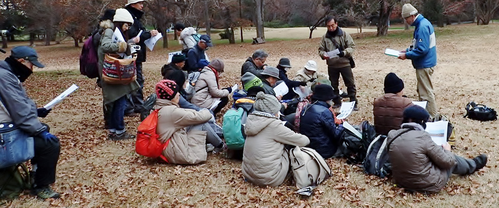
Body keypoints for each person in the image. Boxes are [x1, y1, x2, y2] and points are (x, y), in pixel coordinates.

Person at [0, 46, 60, 199]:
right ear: (21, 61)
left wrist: (36, 111)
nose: (32, 69)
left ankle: (35, 174)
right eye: (31, 64)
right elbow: (18, 110)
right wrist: (39, 130)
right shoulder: (4, 77)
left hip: (6, 129)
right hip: (3, 137)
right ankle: (40, 186)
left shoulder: (8, 74)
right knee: (50, 145)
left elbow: (19, 104)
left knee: (43, 131)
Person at [388, 105, 487, 193]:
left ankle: (470, 164)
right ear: (422, 122)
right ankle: (473, 165)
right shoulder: (423, 137)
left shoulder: (392, 135)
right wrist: (448, 151)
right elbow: (448, 161)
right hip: (427, 185)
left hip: (401, 182)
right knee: (452, 158)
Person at [242, 92, 310, 186]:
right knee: (291, 148)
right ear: (273, 110)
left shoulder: (250, 121)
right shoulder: (274, 126)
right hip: (270, 178)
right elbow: (304, 141)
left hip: (248, 175)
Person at [98, 8, 139, 140]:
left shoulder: (112, 31)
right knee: (120, 101)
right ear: (120, 23)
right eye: (126, 25)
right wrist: (123, 47)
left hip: (113, 72)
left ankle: (114, 130)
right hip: (112, 73)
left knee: (117, 102)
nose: (127, 29)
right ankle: (119, 130)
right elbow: (105, 46)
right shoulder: (110, 31)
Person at [163, 67, 224, 151]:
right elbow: (193, 113)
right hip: (175, 144)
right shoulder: (174, 107)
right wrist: (207, 112)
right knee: (203, 122)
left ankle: (220, 138)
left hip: (173, 137)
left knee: (203, 120)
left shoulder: (164, 103)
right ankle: (221, 143)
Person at [155, 80, 213, 164]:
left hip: (166, 148)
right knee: (202, 123)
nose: (179, 94)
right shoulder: (171, 111)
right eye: (176, 93)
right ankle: (221, 145)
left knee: (194, 122)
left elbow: (187, 114)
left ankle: (217, 143)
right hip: (176, 152)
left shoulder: (159, 107)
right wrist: (206, 110)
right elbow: (201, 117)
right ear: (170, 96)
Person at [398, 3, 438, 118]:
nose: (406, 21)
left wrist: (407, 56)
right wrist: (407, 51)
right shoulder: (421, 24)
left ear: (412, 16)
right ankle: (426, 115)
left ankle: (431, 117)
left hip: (425, 64)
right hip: (424, 63)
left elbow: (422, 50)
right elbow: (417, 45)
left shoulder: (422, 27)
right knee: (423, 90)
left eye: (406, 18)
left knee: (426, 92)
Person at [125, 0, 160, 114]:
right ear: (132, 5)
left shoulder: (135, 18)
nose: (142, 5)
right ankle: (133, 106)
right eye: (139, 3)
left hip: (136, 55)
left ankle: (136, 105)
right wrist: (149, 34)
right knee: (135, 80)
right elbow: (134, 35)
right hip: (132, 55)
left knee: (138, 80)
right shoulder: (130, 18)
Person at [318, 16, 357, 110]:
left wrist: (344, 52)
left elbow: (352, 46)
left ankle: (353, 101)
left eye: (332, 26)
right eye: (328, 26)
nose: (331, 28)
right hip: (332, 65)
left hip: (344, 63)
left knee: (350, 83)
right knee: (333, 84)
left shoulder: (344, 34)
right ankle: (336, 101)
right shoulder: (325, 37)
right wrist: (324, 55)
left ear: (336, 24)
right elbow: (320, 50)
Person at [299, 84, 344, 159]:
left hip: (308, 147)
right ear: (327, 99)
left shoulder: (306, 108)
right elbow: (336, 134)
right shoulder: (324, 112)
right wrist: (342, 125)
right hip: (324, 150)